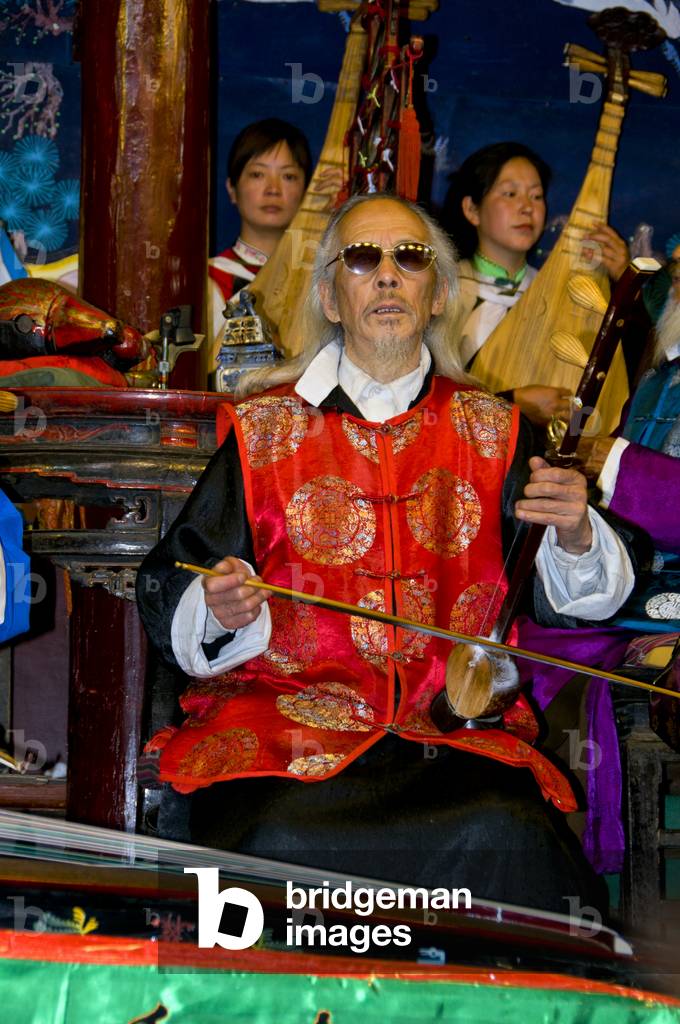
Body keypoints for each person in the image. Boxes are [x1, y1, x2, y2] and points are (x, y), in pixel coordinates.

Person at [137, 194, 637, 913]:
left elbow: (571, 594)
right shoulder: (260, 432)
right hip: (287, 735)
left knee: (511, 831)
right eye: (363, 259)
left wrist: (575, 533)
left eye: (411, 258)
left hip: (454, 739)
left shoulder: (497, 430)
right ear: (331, 299)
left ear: (437, 294)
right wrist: (219, 605)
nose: (388, 276)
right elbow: (175, 582)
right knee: (275, 840)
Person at [442, 142, 630, 427]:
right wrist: (512, 404)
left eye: (537, 196)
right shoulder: (443, 293)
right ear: (471, 209)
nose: (527, 208)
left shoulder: (558, 295)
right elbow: (423, 405)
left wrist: (625, 285)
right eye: (510, 194)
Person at [208, 118, 313, 355]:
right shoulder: (209, 279)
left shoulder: (318, 280)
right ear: (232, 189)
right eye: (257, 175)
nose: (273, 189)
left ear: (307, 192)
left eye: (288, 177)